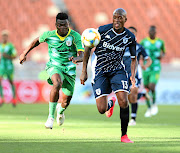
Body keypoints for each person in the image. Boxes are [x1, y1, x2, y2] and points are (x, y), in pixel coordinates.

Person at [80, 8, 137, 143]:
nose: (117, 20)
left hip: (118, 70)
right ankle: (110, 103)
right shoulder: (102, 30)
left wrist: (132, 75)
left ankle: (124, 135)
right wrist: (84, 70)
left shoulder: (129, 37)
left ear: (125, 20)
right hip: (100, 70)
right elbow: (88, 47)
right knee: (101, 109)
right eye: (115, 17)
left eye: (120, 18)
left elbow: (134, 58)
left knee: (124, 101)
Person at [19, 12, 84, 129]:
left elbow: (82, 55)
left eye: (65, 25)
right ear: (56, 25)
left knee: (66, 101)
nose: (63, 28)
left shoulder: (75, 36)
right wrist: (24, 53)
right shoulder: (49, 35)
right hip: (54, 66)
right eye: (60, 25)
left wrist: (76, 58)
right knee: (57, 83)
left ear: (68, 24)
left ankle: (60, 111)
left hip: (69, 70)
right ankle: (50, 117)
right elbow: (36, 41)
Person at [123, 27, 152, 126]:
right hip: (123, 74)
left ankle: (133, 119)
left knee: (133, 93)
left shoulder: (139, 47)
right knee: (127, 97)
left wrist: (145, 66)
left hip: (135, 74)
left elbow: (148, 59)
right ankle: (143, 95)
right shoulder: (121, 46)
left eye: (133, 33)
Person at [140, 26, 165, 117]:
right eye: (150, 31)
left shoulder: (160, 42)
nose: (152, 33)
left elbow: (163, 52)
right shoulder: (144, 42)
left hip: (156, 68)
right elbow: (140, 52)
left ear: (155, 33)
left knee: (152, 86)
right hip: (146, 68)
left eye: (153, 32)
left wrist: (161, 55)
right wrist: (141, 59)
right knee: (146, 88)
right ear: (148, 32)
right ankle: (149, 108)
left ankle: (154, 104)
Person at [0, 30, 17, 107]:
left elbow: (14, 56)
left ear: (7, 37)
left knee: (10, 82)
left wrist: (6, 56)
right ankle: (2, 98)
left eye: (5, 36)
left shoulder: (10, 46)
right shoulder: (0, 45)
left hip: (9, 67)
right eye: (3, 36)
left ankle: (14, 99)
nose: (4, 38)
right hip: (2, 67)